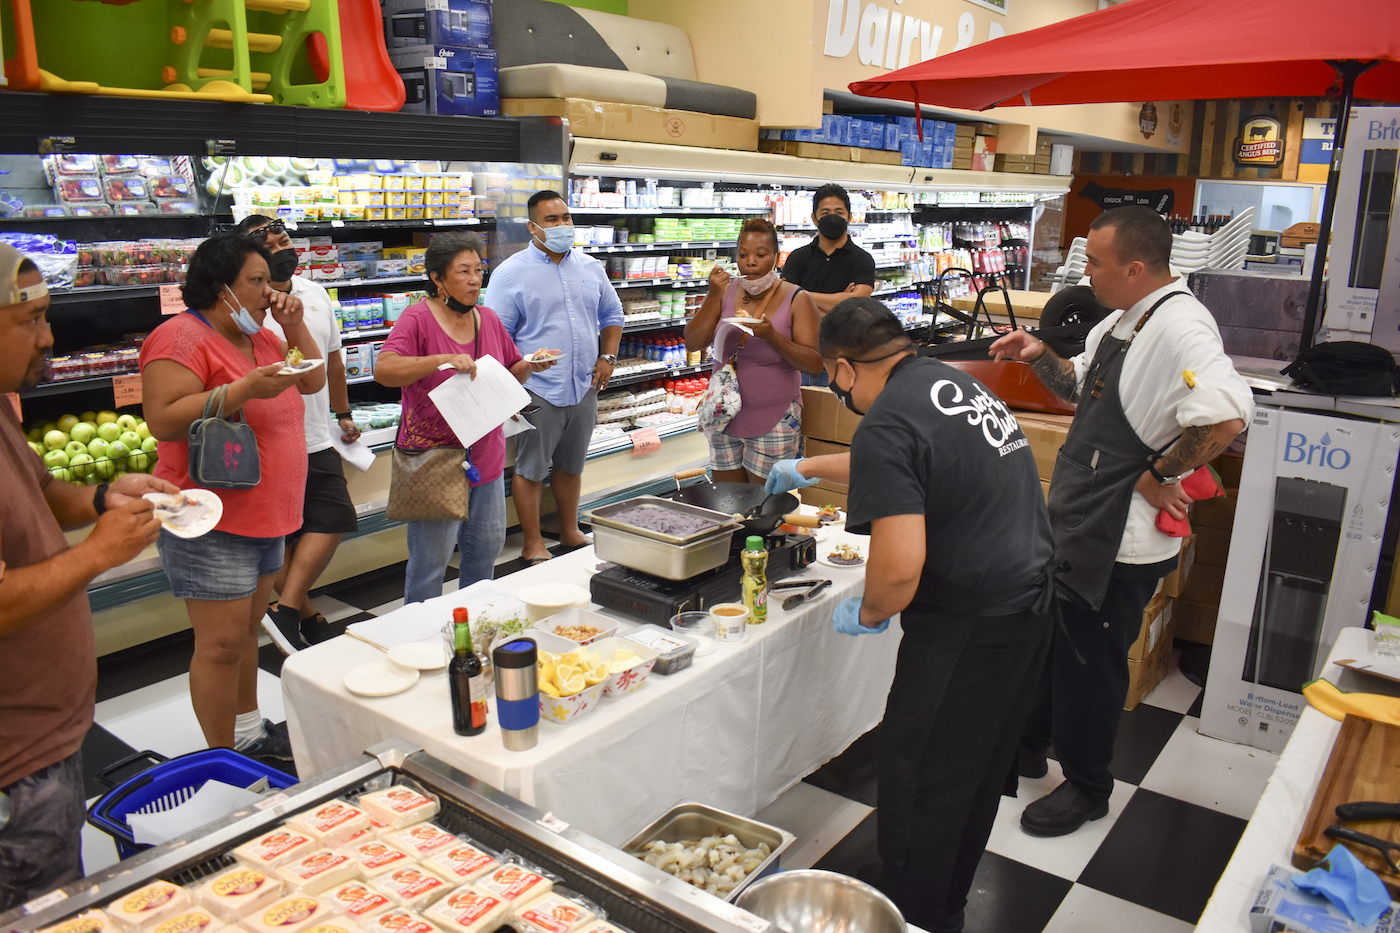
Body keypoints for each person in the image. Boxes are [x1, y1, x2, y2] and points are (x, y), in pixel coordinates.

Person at [765, 297, 1054, 932]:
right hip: (1028, 606)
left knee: (920, 775)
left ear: (841, 367)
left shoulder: (888, 420)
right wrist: (804, 466)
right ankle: (943, 899)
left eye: (828, 377)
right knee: (971, 774)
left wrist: (869, 613)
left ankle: (908, 912)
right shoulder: (945, 381)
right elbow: (913, 458)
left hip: (970, 622)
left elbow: (897, 570)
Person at [988, 205, 1254, 837]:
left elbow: (1225, 417)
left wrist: (1160, 476)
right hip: (1081, 521)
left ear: (1136, 268)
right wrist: (1037, 352)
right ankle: (1029, 747)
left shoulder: (1183, 327)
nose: (1086, 272)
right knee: (1056, 644)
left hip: (1120, 541)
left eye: (1096, 262)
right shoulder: (1124, 318)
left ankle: (1087, 787)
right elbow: (1079, 389)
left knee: (1092, 665)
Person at [0, 245, 174, 910]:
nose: (49, 337)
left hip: (47, 732)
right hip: (14, 762)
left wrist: (104, 496)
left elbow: (42, 487)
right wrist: (98, 553)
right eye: (32, 320)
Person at [140, 233, 325, 761]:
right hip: (207, 516)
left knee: (246, 633)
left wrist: (293, 326)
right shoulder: (180, 337)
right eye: (257, 281)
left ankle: (245, 732)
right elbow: (162, 418)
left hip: (265, 515)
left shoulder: (264, 337)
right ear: (221, 287)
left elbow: (311, 383)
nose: (270, 293)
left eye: (270, 281)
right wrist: (240, 391)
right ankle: (219, 757)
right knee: (220, 646)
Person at [375, 232, 556, 602]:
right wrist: (439, 360)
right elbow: (385, 370)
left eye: (478, 270)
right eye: (464, 272)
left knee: (484, 554)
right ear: (437, 278)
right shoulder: (417, 319)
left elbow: (509, 370)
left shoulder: (487, 318)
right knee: (430, 564)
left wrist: (531, 364)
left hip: (485, 456)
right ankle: (419, 643)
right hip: (435, 461)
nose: (475, 279)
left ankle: (473, 631)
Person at [235, 216, 362, 651]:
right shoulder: (245, 306)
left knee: (336, 517)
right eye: (268, 245)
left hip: (315, 430)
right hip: (266, 437)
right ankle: (302, 613)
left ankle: (286, 610)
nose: (280, 248)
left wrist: (343, 413)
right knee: (280, 535)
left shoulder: (316, 293)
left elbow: (332, 362)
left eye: (283, 239)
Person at [486, 190, 623, 565]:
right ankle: (532, 542)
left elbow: (613, 313)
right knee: (530, 468)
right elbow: (495, 339)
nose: (563, 225)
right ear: (533, 227)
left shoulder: (591, 267)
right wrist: (508, 393)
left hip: (583, 385)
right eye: (552, 220)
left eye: (566, 218)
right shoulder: (510, 273)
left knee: (571, 464)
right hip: (536, 389)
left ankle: (569, 529)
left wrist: (607, 357)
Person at [683, 218, 821, 483]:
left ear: (776, 257)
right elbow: (693, 342)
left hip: (773, 419)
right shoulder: (724, 290)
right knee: (728, 503)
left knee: (764, 506)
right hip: (723, 415)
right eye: (743, 255)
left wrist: (772, 335)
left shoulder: (797, 298)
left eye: (761, 254)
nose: (751, 262)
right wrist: (713, 295)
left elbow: (814, 364)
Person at [779, 183, 876, 312]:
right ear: (814, 218)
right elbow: (786, 303)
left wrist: (801, 295)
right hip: (804, 332)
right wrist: (842, 300)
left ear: (849, 217)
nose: (832, 218)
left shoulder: (863, 260)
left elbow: (857, 304)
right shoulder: (797, 258)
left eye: (839, 212)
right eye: (825, 213)